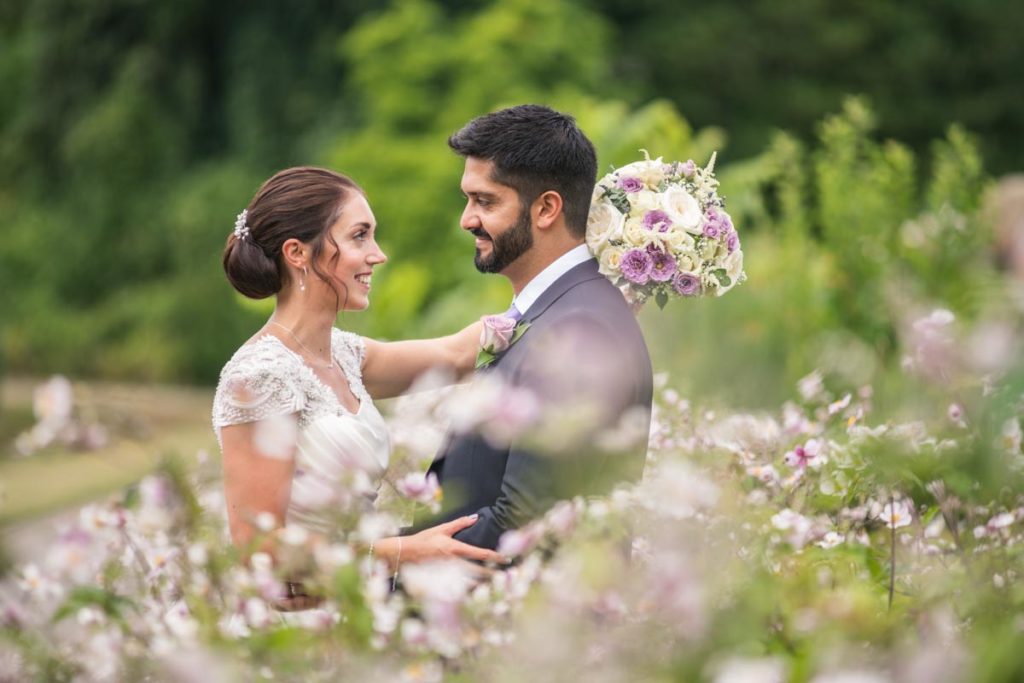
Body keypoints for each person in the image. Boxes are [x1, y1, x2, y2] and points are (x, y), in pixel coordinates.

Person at [212, 166, 503, 609]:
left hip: (357, 607)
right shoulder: (258, 376)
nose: (378, 254)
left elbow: (456, 355)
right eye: (359, 236)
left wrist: (598, 277)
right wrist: (403, 552)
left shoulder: (345, 356)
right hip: (297, 627)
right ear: (297, 253)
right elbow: (259, 550)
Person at [415, 105, 654, 550]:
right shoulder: (554, 310)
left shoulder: (580, 330)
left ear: (546, 208)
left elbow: (528, 523)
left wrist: (389, 565)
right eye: (467, 200)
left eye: (485, 201)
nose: (466, 219)